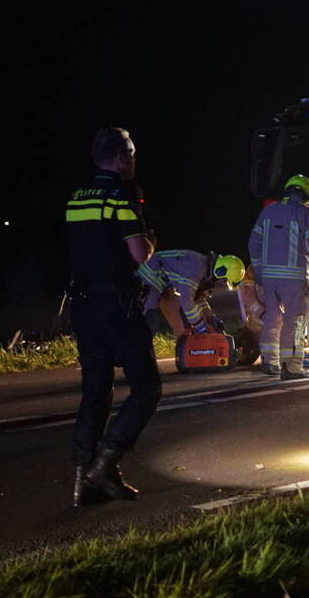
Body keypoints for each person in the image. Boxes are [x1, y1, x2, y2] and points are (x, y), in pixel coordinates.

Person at [65, 127, 161, 506]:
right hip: (115, 306)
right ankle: (105, 464)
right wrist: (150, 238)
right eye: (132, 154)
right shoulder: (122, 195)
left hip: (83, 307)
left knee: (95, 392)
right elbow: (140, 254)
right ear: (121, 157)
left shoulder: (76, 197)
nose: (134, 161)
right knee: (148, 387)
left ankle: (81, 483)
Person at [248, 174, 309, 380]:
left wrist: (259, 272)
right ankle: (291, 368)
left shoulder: (267, 212)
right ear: (306, 194)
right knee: (294, 322)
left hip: (269, 279)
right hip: (295, 279)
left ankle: (269, 362)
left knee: (272, 320)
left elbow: (253, 245)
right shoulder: (306, 214)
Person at [137, 250, 245, 335]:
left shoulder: (207, 272)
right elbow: (187, 301)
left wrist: (211, 317)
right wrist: (201, 327)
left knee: (176, 313)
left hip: (164, 281)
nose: (223, 284)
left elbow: (198, 298)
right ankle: (140, 350)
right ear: (220, 271)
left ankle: (183, 350)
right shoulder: (196, 268)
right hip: (150, 274)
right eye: (225, 280)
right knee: (150, 318)